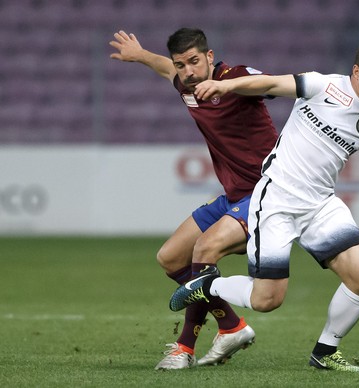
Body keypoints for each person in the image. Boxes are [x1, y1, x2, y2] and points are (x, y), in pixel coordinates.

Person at [169, 38, 359, 372]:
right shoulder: (324, 86)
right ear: (356, 72)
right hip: (276, 200)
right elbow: (271, 82)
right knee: (267, 300)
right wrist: (227, 83)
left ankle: (325, 352)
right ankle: (206, 284)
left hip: (320, 205)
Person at [109, 28, 279, 370]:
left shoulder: (237, 77)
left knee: (204, 250)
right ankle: (231, 326)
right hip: (233, 196)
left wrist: (229, 85)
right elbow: (165, 68)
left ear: (210, 57)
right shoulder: (187, 85)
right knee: (171, 258)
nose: (188, 71)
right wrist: (140, 54)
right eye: (181, 64)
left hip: (268, 193)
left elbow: (273, 84)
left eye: (194, 62)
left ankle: (184, 349)